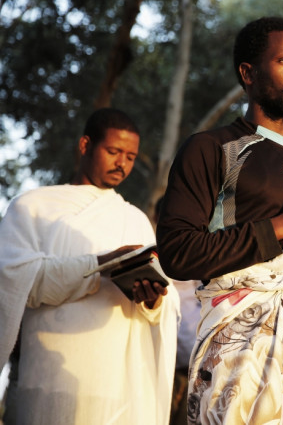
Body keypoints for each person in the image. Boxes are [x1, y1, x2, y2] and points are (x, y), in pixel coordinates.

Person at [156, 16, 283, 424]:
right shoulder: (212, 148)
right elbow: (177, 253)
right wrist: (281, 227)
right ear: (248, 73)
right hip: (237, 349)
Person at [0, 108, 180, 424]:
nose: (122, 163)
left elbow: (163, 306)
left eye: (130, 156)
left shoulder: (135, 219)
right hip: (46, 378)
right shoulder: (33, 207)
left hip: (116, 386)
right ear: (85, 145)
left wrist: (152, 300)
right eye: (113, 151)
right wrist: (101, 265)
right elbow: (16, 283)